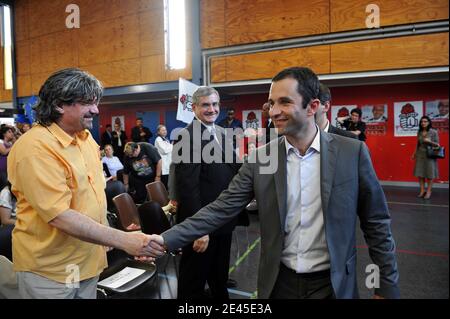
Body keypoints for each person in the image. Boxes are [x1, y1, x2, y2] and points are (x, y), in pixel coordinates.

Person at [145, 67, 399, 299]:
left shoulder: (352, 153)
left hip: (333, 285)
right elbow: (219, 208)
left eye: (284, 102)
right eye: (271, 103)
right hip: (278, 283)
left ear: (313, 107)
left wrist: (385, 286)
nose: (273, 111)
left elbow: (376, 224)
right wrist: (162, 240)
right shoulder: (261, 158)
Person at [7, 68, 164, 299]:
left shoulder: (86, 138)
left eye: (96, 102)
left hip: (88, 262)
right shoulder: (35, 148)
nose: (96, 109)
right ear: (60, 104)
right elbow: (60, 215)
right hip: (51, 273)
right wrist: (125, 241)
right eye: (87, 102)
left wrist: (109, 234)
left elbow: (87, 199)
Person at [171, 86, 241, 299]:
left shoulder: (222, 132)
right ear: (194, 108)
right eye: (205, 105)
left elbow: (234, 169)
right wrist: (199, 229)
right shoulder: (186, 137)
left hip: (224, 219)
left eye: (215, 104)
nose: (212, 109)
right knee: (193, 281)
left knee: (219, 276)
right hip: (202, 223)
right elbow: (188, 189)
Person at [412, 116, 440, 199]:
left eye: (425, 121)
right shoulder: (419, 132)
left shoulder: (433, 132)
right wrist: (414, 153)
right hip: (420, 154)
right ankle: (422, 190)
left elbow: (438, 145)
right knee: (420, 174)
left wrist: (430, 142)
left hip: (430, 155)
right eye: (422, 122)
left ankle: (429, 191)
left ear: (428, 122)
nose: (423, 123)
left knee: (430, 174)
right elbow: (418, 144)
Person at [154, 125, 173, 190]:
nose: (165, 131)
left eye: (165, 130)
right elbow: (165, 150)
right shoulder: (158, 139)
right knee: (165, 185)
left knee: (169, 185)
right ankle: (164, 199)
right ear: (158, 132)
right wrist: (172, 145)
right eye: (163, 130)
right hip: (163, 166)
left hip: (168, 165)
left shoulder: (166, 139)